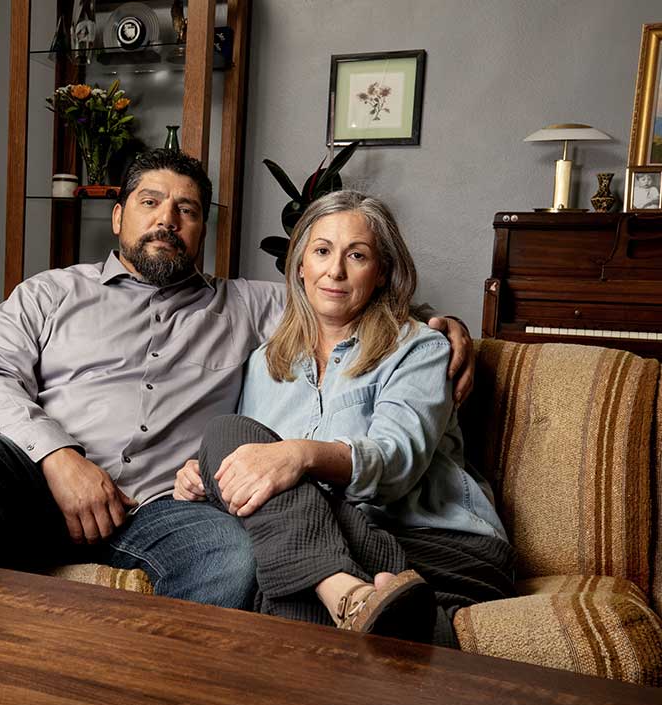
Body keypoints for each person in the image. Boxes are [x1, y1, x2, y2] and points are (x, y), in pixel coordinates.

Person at [0, 149, 475, 610]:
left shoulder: (251, 306)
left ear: (201, 231)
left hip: (164, 508)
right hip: (40, 486)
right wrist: (58, 459)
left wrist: (439, 325)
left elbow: (342, 295)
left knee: (236, 556)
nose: (168, 220)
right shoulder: (49, 293)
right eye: (151, 202)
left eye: (187, 210)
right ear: (119, 215)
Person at [174, 190, 514, 645]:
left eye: (357, 255)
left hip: (441, 546)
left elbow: (395, 464)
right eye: (321, 251)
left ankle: (339, 589)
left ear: (382, 272)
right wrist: (201, 480)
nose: (335, 271)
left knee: (281, 566)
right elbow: (257, 479)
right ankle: (350, 594)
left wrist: (300, 455)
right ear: (299, 266)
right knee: (228, 440)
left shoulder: (420, 349)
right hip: (342, 541)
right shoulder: (265, 361)